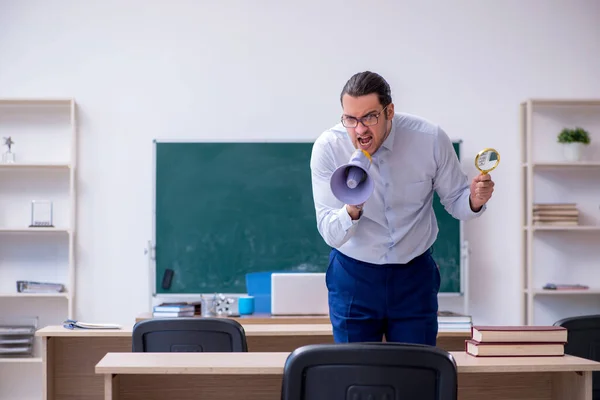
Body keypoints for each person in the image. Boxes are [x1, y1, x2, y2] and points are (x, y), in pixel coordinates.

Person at [310, 71, 495, 345]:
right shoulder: (329, 147)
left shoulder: (429, 139)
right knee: (354, 374)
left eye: (369, 117)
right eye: (351, 119)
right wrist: (351, 210)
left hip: (414, 276)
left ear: (390, 111)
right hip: (353, 277)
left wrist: (475, 201)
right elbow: (330, 233)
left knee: (416, 372)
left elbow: (457, 202)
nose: (360, 130)